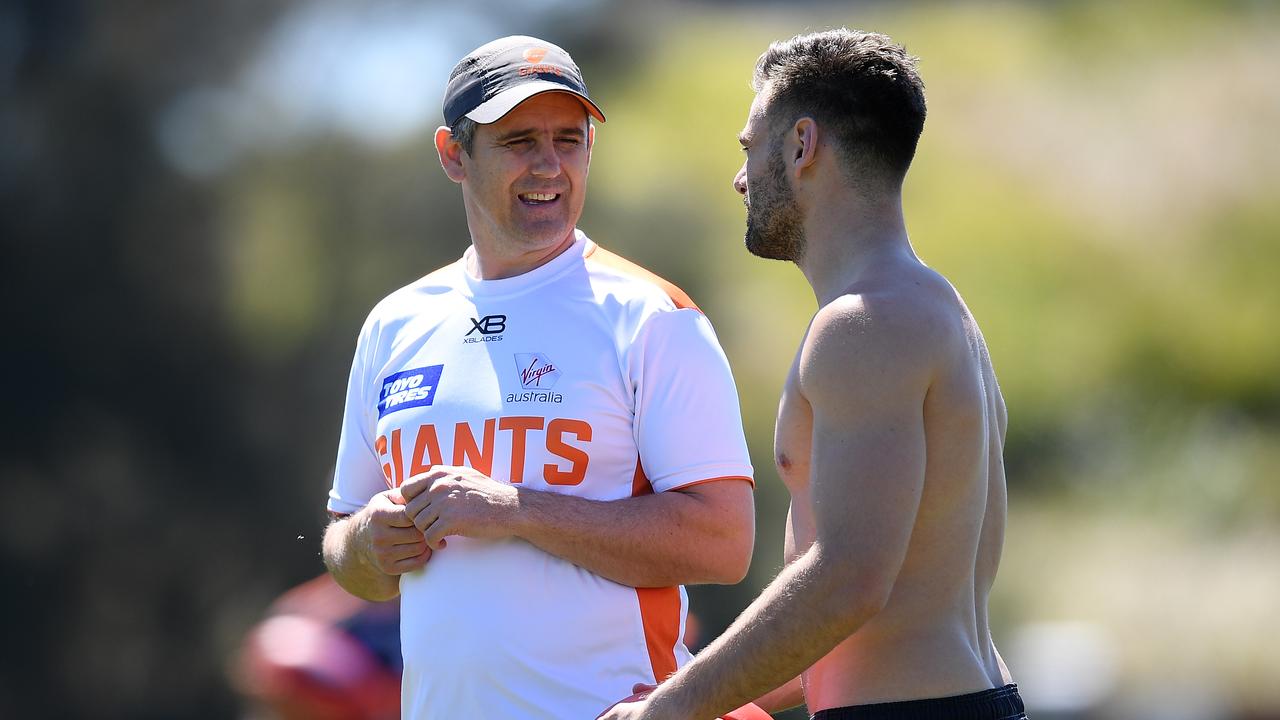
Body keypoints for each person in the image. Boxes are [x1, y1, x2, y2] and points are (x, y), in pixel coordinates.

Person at [319, 35, 756, 719]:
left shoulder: (651, 316)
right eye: (519, 140)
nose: (550, 165)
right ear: (452, 155)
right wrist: (368, 546)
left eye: (570, 139)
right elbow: (344, 543)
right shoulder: (394, 324)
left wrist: (517, 511)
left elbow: (725, 543)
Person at [600, 28, 1027, 720]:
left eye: (749, 148)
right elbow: (881, 613)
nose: (741, 177)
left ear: (801, 146)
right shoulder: (938, 310)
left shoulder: (862, 325)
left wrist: (666, 710)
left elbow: (850, 580)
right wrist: (691, 692)